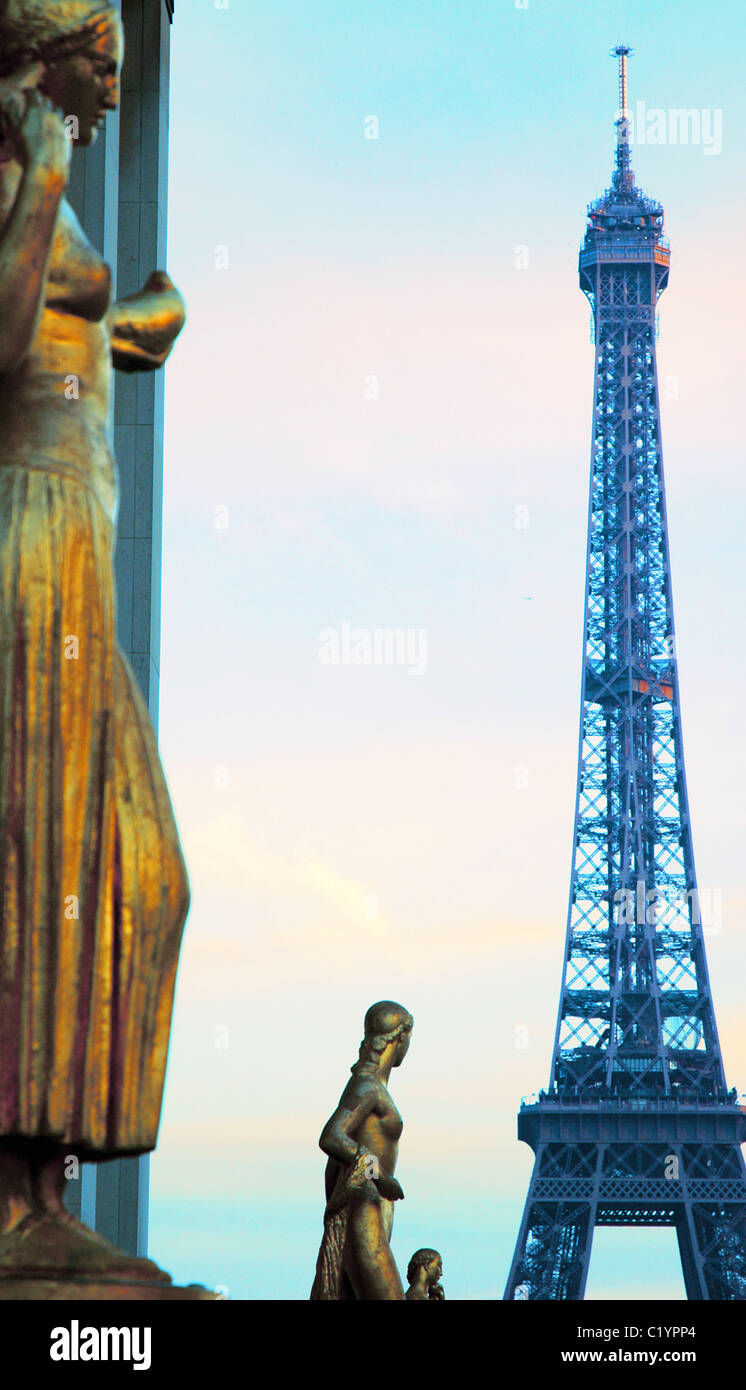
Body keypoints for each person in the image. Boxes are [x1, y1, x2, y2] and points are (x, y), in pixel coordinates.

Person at [0, 1, 188, 1261]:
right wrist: (49, 165)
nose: (117, 82)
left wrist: (132, 331)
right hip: (24, 533)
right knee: (35, 855)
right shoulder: (21, 163)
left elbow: (62, 346)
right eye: (106, 60)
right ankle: (21, 1190)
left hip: (80, 541)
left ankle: (45, 1177)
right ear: (51, 48)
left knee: (141, 880)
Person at [311, 1001, 413, 1299]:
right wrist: (379, 1176)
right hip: (366, 1204)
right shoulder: (367, 1086)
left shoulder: (374, 1087)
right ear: (400, 1037)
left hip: (373, 1205)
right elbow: (331, 1137)